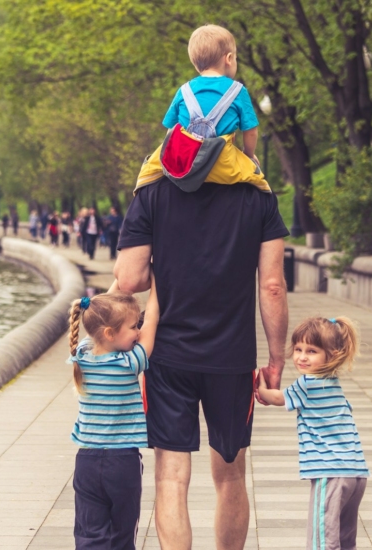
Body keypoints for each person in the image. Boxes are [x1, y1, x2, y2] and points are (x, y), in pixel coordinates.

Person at [114, 130, 289, 548]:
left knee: (171, 477)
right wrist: (277, 358)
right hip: (233, 357)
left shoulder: (154, 191)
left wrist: (166, 271)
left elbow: (129, 279)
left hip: (167, 356)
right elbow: (272, 287)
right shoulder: (258, 194)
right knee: (230, 474)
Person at [257, 317, 369, 550]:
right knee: (345, 539)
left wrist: (260, 388)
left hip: (330, 473)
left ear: (332, 354)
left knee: (322, 539)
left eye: (312, 351)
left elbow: (278, 398)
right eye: (298, 349)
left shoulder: (308, 383)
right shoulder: (332, 383)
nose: (302, 357)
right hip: (356, 473)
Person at [67, 274, 160, 550]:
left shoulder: (83, 355)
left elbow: (97, 316)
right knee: (122, 533)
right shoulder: (129, 364)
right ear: (110, 333)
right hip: (123, 462)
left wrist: (122, 279)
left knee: (89, 532)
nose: (138, 331)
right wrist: (158, 284)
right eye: (133, 327)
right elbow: (153, 320)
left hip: (86, 461)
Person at [162, 25, 259, 159]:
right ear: (229, 59)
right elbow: (251, 132)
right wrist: (249, 156)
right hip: (225, 165)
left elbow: (171, 132)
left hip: (188, 165)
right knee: (259, 180)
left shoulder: (184, 91)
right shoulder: (238, 91)